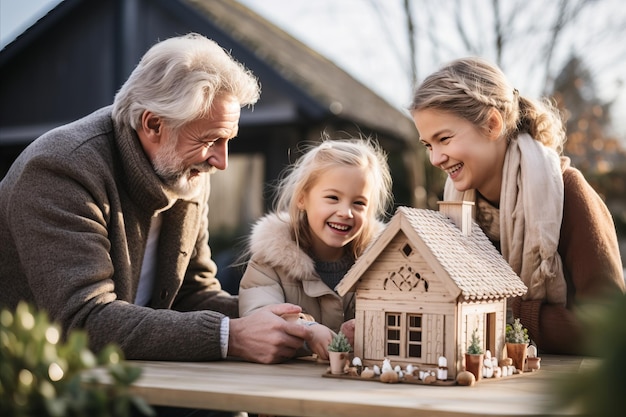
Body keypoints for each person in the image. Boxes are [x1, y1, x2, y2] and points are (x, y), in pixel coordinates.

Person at [0, 33, 315, 368]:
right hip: (42, 385)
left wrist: (280, 317)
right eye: (212, 140)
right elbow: (84, 320)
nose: (221, 161)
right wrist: (231, 335)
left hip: (132, 372)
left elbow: (192, 294)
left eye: (228, 140)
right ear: (152, 124)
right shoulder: (60, 170)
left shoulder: (184, 170)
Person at [409, 57, 625, 355]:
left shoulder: (567, 193)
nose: (435, 159)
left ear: (492, 124)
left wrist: (506, 315)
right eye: (428, 145)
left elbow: (612, 329)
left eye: (444, 139)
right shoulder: (454, 211)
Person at [238, 137, 393, 360]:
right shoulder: (269, 262)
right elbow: (259, 317)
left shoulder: (383, 265)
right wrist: (308, 331)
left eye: (358, 203)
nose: (346, 212)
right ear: (302, 199)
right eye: (333, 198)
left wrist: (370, 328)